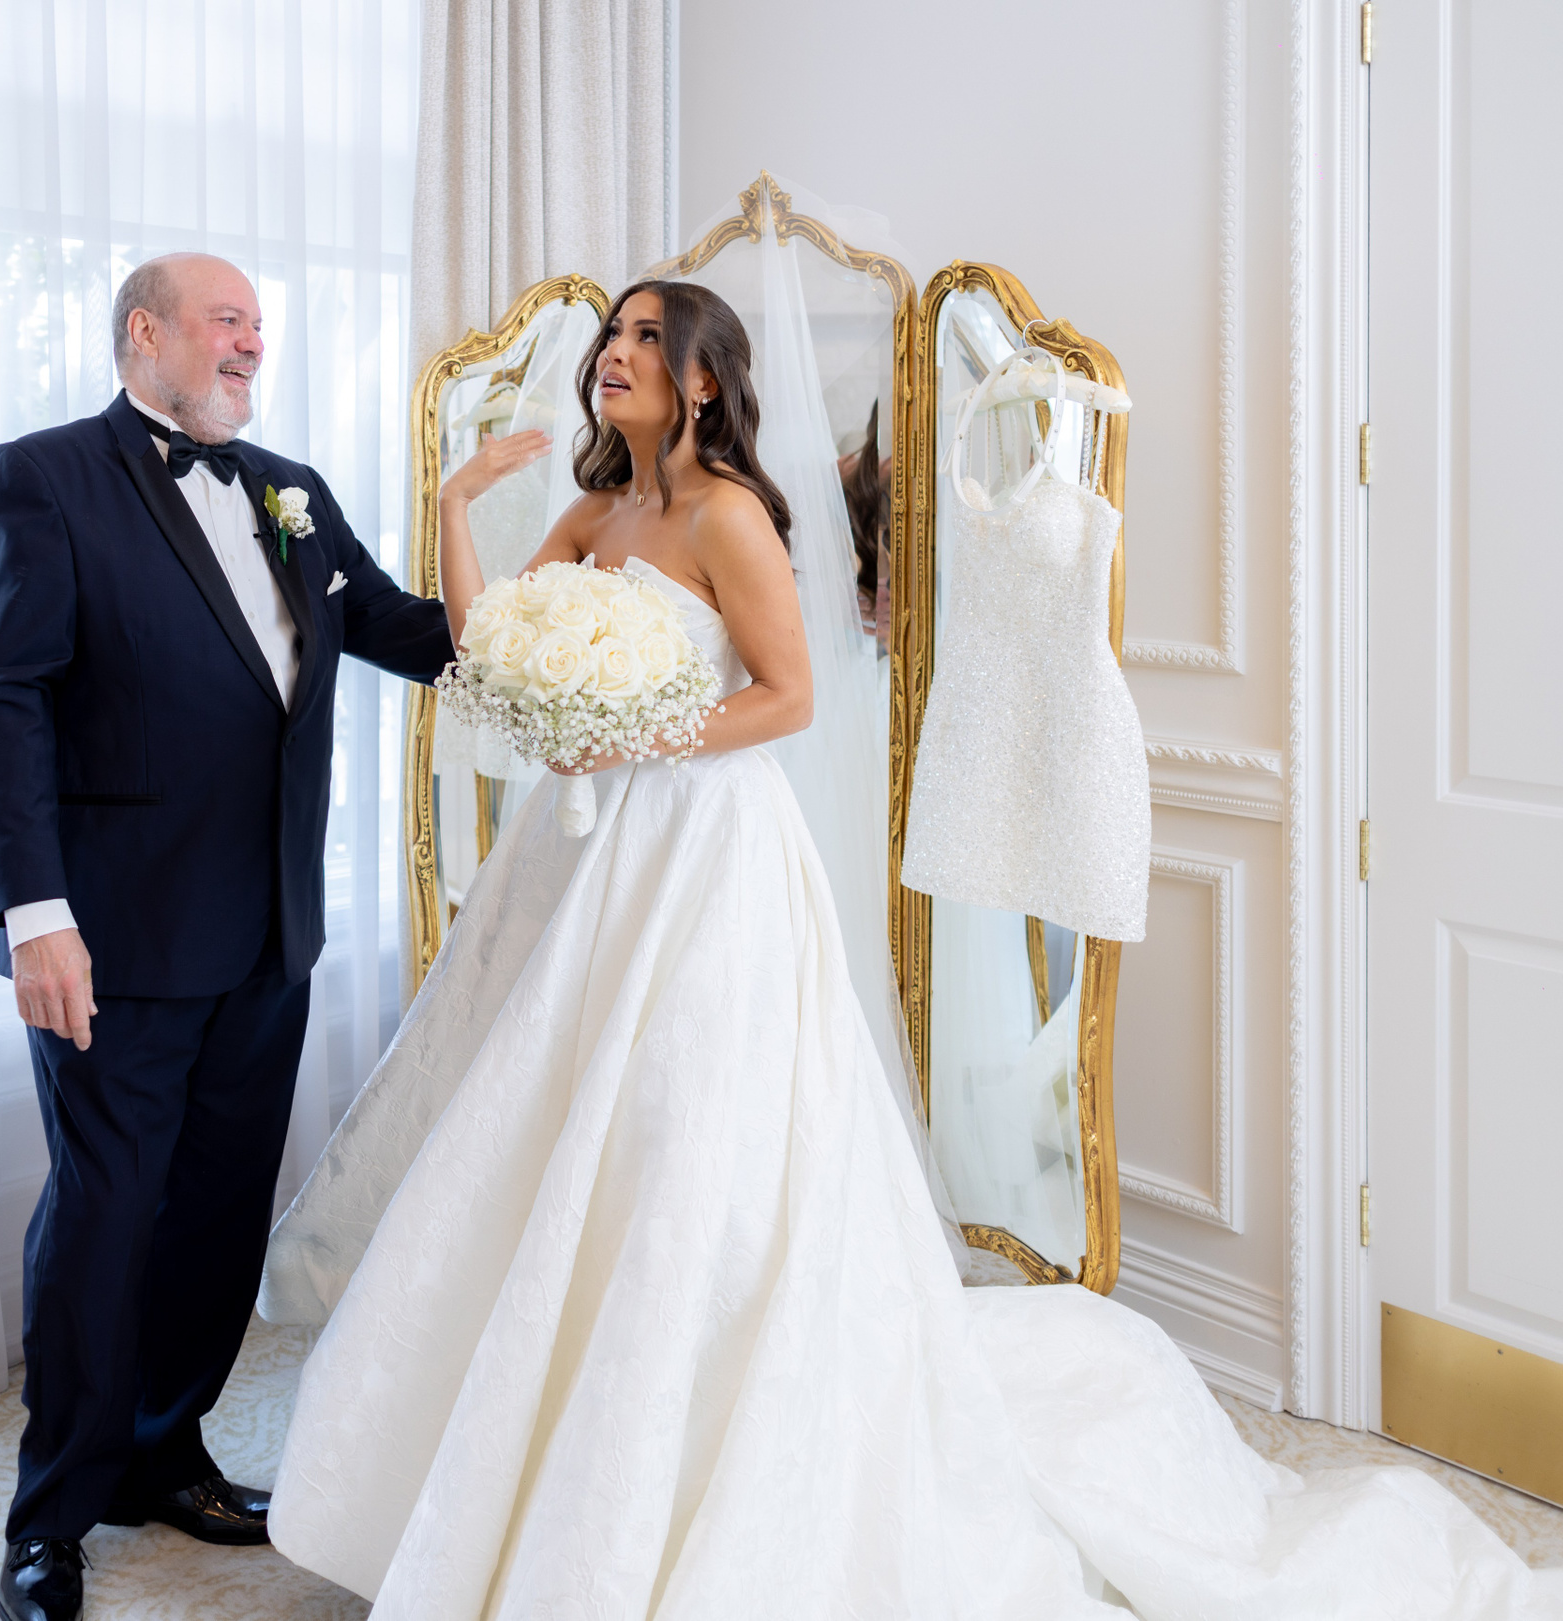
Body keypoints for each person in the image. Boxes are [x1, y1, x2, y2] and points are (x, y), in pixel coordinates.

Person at [256, 278, 1562, 1620]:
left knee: (685, 1130)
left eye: (648, 336)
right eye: (615, 334)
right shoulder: (593, 512)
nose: (616, 353)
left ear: (702, 379)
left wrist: (635, 734)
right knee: (552, 1122)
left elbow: (788, 698)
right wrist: (460, 506)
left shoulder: (727, 514)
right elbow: (490, 654)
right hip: (589, 853)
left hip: (704, 849)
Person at [0, 251, 453, 1621]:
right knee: (105, 1215)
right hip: (110, 937)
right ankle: (51, 1517)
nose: (251, 343)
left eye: (259, 326)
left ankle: (162, 1451)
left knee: (221, 1215)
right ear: (145, 332)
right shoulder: (41, 478)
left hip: (269, 931)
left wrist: (521, 549)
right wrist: (34, 916)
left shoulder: (294, 492)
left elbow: (417, 636)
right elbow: (1, 700)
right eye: (226, 320)